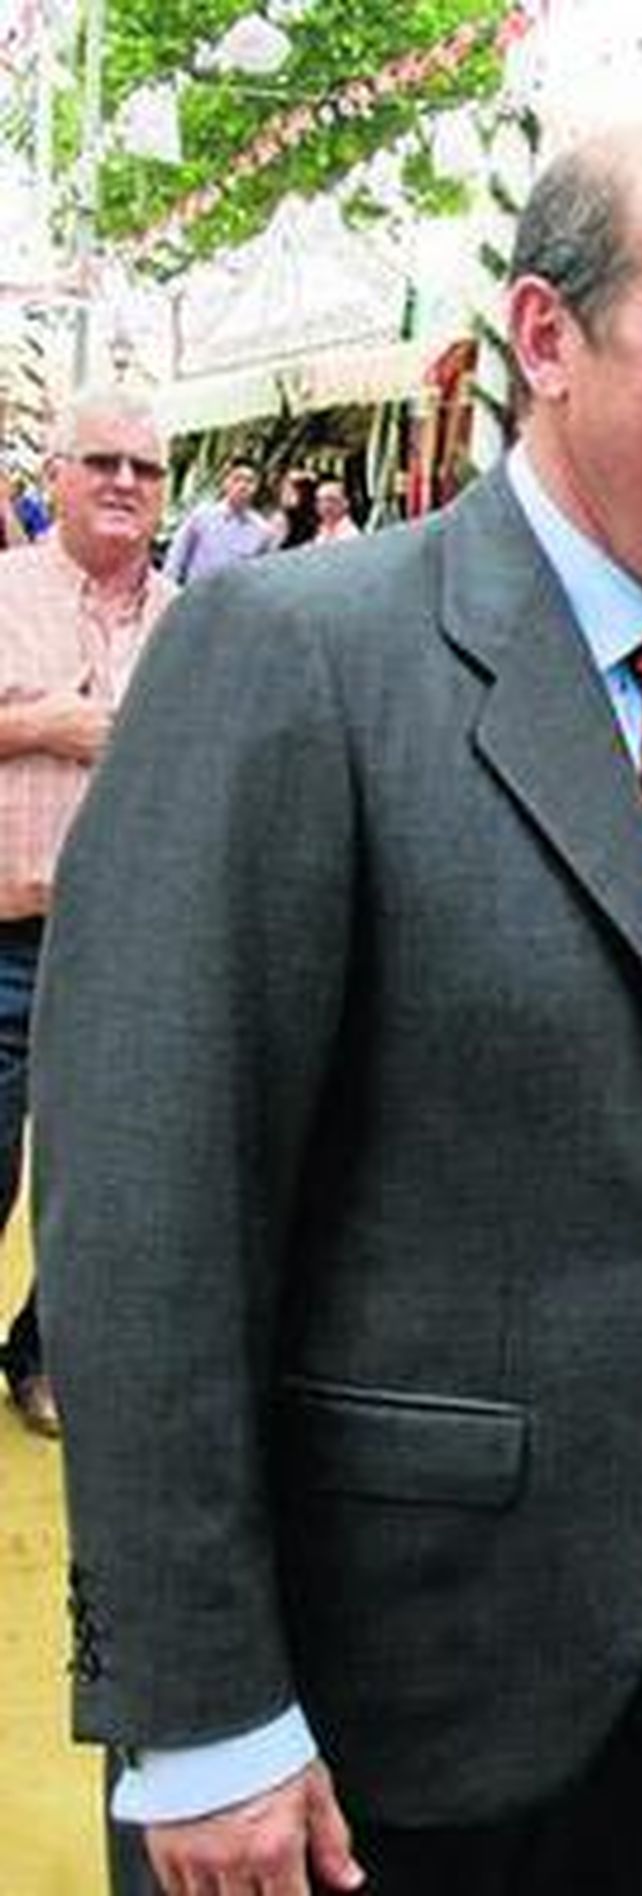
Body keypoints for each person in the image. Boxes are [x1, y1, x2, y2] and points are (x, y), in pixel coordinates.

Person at [35, 117, 642, 1896]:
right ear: (546, 335)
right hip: (340, 1713)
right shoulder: (295, 657)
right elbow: (146, 1215)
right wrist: (200, 1713)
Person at [0, 389, 172, 1441]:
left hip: (127, 948)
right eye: (101, 461)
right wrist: (36, 727)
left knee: (101, 1174)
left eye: (144, 469)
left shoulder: (196, 620)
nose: (122, 482)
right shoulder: (5, 591)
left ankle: (45, 1354)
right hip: (3, 939)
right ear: (54, 477)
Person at [162, 454, 275, 583]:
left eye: (250, 481)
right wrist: (168, 588)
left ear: (257, 487)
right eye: (237, 479)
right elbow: (177, 556)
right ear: (226, 482)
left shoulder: (261, 531)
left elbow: (261, 575)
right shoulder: (202, 516)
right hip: (196, 590)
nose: (243, 486)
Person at [267, 468, 318, 550]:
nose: (299, 490)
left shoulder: (313, 516)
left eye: (302, 486)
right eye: (294, 486)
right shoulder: (271, 515)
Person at [312, 477, 361, 543]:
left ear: (345, 503)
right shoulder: (320, 534)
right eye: (320, 501)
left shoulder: (350, 535)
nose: (326, 506)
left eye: (331, 500)